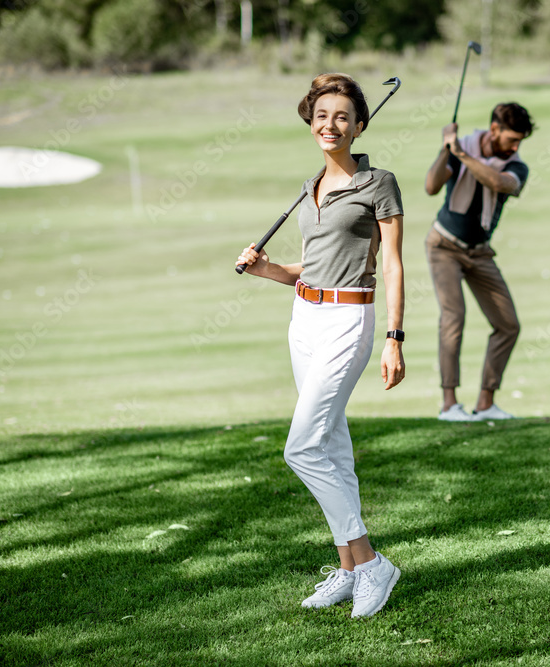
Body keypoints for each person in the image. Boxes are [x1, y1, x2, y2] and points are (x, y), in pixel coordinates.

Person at [236, 73, 404, 618]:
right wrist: (267, 271)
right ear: (311, 123)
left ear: (359, 125)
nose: (330, 125)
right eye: (322, 116)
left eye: (342, 117)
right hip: (304, 317)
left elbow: (394, 264)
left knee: (301, 448)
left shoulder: (379, 184)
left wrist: (394, 337)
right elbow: (309, 267)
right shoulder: (309, 189)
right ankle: (350, 569)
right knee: (330, 444)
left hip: (348, 320)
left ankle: (373, 562)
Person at [423, 102, 535, 422]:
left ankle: (485, 402)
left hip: (480, 251)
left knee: (508, 325)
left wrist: (461, 154)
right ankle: (449, 406)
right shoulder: (461, 151)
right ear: (494, 128)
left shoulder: (516, 166)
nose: (516, 147)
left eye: (520, 141)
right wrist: (446, 149)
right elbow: (431, 187)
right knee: (453, 317)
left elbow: (500, 183)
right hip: (444, 246)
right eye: (512, 139)